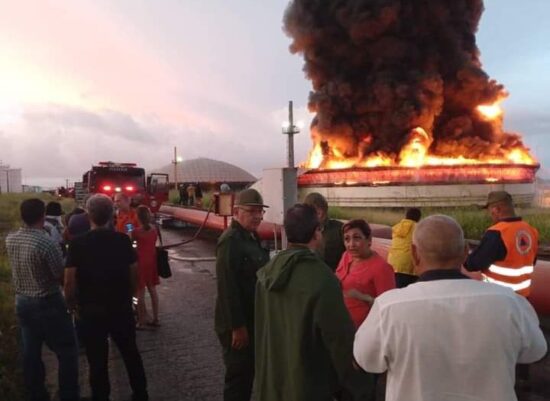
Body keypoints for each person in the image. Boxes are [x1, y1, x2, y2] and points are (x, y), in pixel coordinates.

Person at [353, 215, 547, 401]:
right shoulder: (511, 303)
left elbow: (367, 360)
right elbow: (536, 351)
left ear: (414, 253)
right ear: (465, 252)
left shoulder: (388, 308)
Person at [255, 204, 370, 401]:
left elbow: (260, 329)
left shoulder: (266, 273)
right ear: (316, 232)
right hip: (307, 386)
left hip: (272, 382)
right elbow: (340, 342)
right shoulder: (323, 279)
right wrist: (361, 387)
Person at [64, 194, 149, 401]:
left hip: (91, 311)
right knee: (131, 354)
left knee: (97, 360)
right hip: (120, 308)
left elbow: (69, 281)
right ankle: (140, 393)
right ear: (111, 214)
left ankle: (101, 396)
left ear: (88, 215)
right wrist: (130, 297)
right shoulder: (122, 240)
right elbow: (135, 274)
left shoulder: (77, 244)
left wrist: (72, 305)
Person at [6, 198, 79, 401]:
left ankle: (36, 393)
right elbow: (60, 276)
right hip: (48, 302)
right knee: (67, 351)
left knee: (31, 352)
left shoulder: (11, 239)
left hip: (22, 302)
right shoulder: (46, 243)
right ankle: (68, 395)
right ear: (42, 215)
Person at [214, 188, 270, 401]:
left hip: (251, 319)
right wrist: (237, 327)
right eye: (252, 211)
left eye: (260, 212)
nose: (257, 216)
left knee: (247, 376)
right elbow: (227, 287)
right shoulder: (231, 241)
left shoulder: (251, 237)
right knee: (238, 381)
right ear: (237, 211)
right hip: (237, 324)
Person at [464, 191, 538, 297]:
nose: (490, 215)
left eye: (490, 211)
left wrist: (463, 257)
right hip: (523, 297)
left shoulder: (497, 233)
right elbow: (532, 261)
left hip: (499, 296)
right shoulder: (530, 230)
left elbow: (473, 264)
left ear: (496, 209)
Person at [336, 219, 395, 329]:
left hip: (364, 330)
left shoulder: (381, 268)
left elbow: (388, 309)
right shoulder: (346, 256)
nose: (351, 244)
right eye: (347, 239)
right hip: (340, 325)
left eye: (357, 238)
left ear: (369, 240)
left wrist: (363, 297)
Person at [131, 205, 160, 328]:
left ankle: (141, 321)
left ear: (138, 217)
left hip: (140, 263)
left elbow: (132, 246)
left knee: (139, 293)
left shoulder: (135, 232)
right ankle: (156, 318)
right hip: (152, 262)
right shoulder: (154, 229)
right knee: (153, 290)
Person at [303, 192, 345, 270]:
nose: (320, 214)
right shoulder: (302, 232)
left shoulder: (340, 229)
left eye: (322, 209)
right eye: (314, 211)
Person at [387, 208, 421, 288]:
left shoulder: (397, 227)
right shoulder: (418, 228)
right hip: (408, 264)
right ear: (418, 218)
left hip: (393, 262)